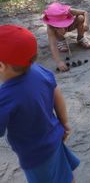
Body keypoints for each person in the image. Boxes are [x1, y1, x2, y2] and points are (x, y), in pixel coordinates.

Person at [0, 25, 80, 183]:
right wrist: (64, 122)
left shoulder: (5, 97)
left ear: (1, 66)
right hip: (56, 137)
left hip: (35, 156)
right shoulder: (39, 71)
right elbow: (56, 92)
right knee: (65, 175)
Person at [43, 2, 90, 72]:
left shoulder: (68, 11)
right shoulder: (51, 28)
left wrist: (86, 23)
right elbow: (53, 45)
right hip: (58, 32)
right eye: (58, 26)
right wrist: (59, 61)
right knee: (57, 32)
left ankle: (81, 38)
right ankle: (61, 40)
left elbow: (85, 12)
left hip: (71, 25)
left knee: (81, 18)